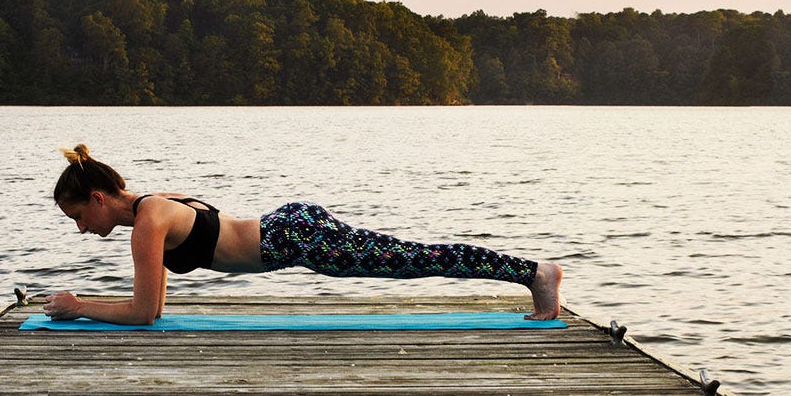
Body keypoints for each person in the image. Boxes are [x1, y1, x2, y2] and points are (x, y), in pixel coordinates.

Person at [44, 144, 563, 325]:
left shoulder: (149, 220)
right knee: (413, 256)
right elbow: (155, 308)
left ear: (97, 199)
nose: (81, 229)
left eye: (77, 217)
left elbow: (143, 315)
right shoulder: (153, 207)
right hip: (291, 228)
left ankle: (536, 273)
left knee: (415, 258)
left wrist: (78, 304)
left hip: (296, 238)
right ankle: (532, 274)